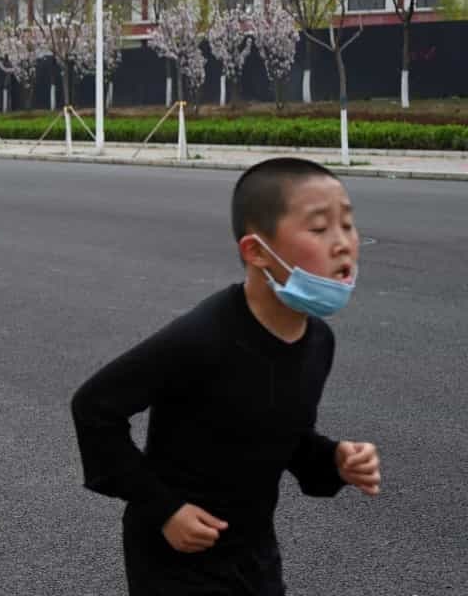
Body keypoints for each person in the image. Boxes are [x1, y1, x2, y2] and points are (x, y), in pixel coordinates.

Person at [70, 157, 381, 596]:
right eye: (318, 228)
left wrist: (335, 459)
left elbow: (279, 433)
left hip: (253, 553)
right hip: (175, 555)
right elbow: (94, 408)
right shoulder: (203, 337)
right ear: (256, 251)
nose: (343, 243)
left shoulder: (318, 342)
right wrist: (164, 509)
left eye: (347, 225)